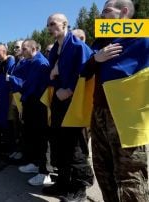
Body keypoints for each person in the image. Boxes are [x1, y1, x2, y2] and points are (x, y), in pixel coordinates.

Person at [84, 1, 149, 201]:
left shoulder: (142, 37)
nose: (101, 15)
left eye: (106, 11)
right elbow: (84, 72)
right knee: (103, 169)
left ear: (124, 11)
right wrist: (97, 59)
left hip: (126, 114)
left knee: (130, 175)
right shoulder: (102, 41)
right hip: (99, 111)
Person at [42, 13, 94, 201]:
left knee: (76, 147)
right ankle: (63, 183)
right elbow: (52, 73)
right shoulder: (56, 48)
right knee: (59, 143)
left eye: (53, 23)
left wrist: (70, 90)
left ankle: (80, 189)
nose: (50, 27)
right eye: (48, 24)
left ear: (65, 24)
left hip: (73, 101)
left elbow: (87, 71)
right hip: (58, 101)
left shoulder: (78, 46)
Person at [11, 39, 53, 186]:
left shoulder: (40, 63)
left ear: (34, 48)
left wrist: (11, 79)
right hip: (30, 103)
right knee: (32, 136)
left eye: (24, 49)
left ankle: (45, 173)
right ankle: (35, 164)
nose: (21, 52)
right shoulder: (30, 61)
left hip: (39, 105)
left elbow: (28, 84)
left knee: (41, 137)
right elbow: (20, 75)